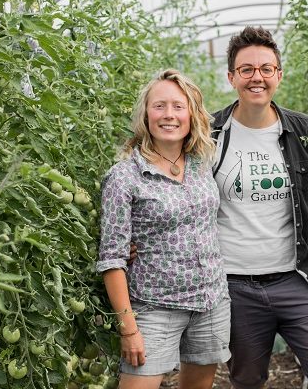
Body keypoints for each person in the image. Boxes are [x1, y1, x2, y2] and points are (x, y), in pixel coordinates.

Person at [211, 26, 308, 389]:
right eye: (246, 69)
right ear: (231, 77)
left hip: (298, 279)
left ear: (278, 75)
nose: (256, 77)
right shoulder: (209, 132)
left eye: (265, 68)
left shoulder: (301, 128)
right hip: (234, 285)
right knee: (247, 380)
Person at [97, 69, 231, 389]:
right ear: (145, 114)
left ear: (191, 115)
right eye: (159, 106)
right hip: (155, 307)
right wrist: (129, 329)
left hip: (210, 300)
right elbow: (112, 258)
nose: (169, 115)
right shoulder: (125, 177)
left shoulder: (201, 163)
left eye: (178, 106)